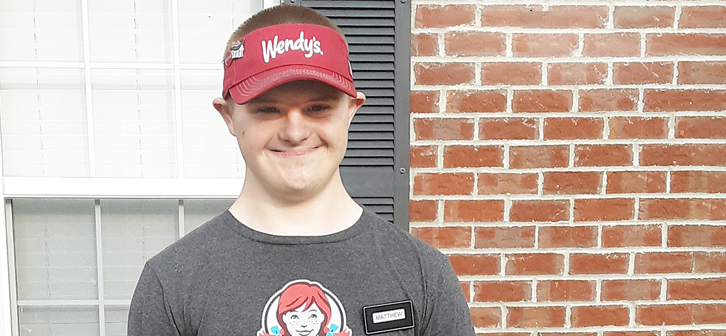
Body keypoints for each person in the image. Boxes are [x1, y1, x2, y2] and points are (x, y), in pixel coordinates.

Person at [127, 4, 475, 336]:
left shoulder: (425, 274)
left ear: (352, 110)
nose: (294, 132)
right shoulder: (171, 283)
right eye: (267, 110)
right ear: (228, 116)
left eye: (318, 107)